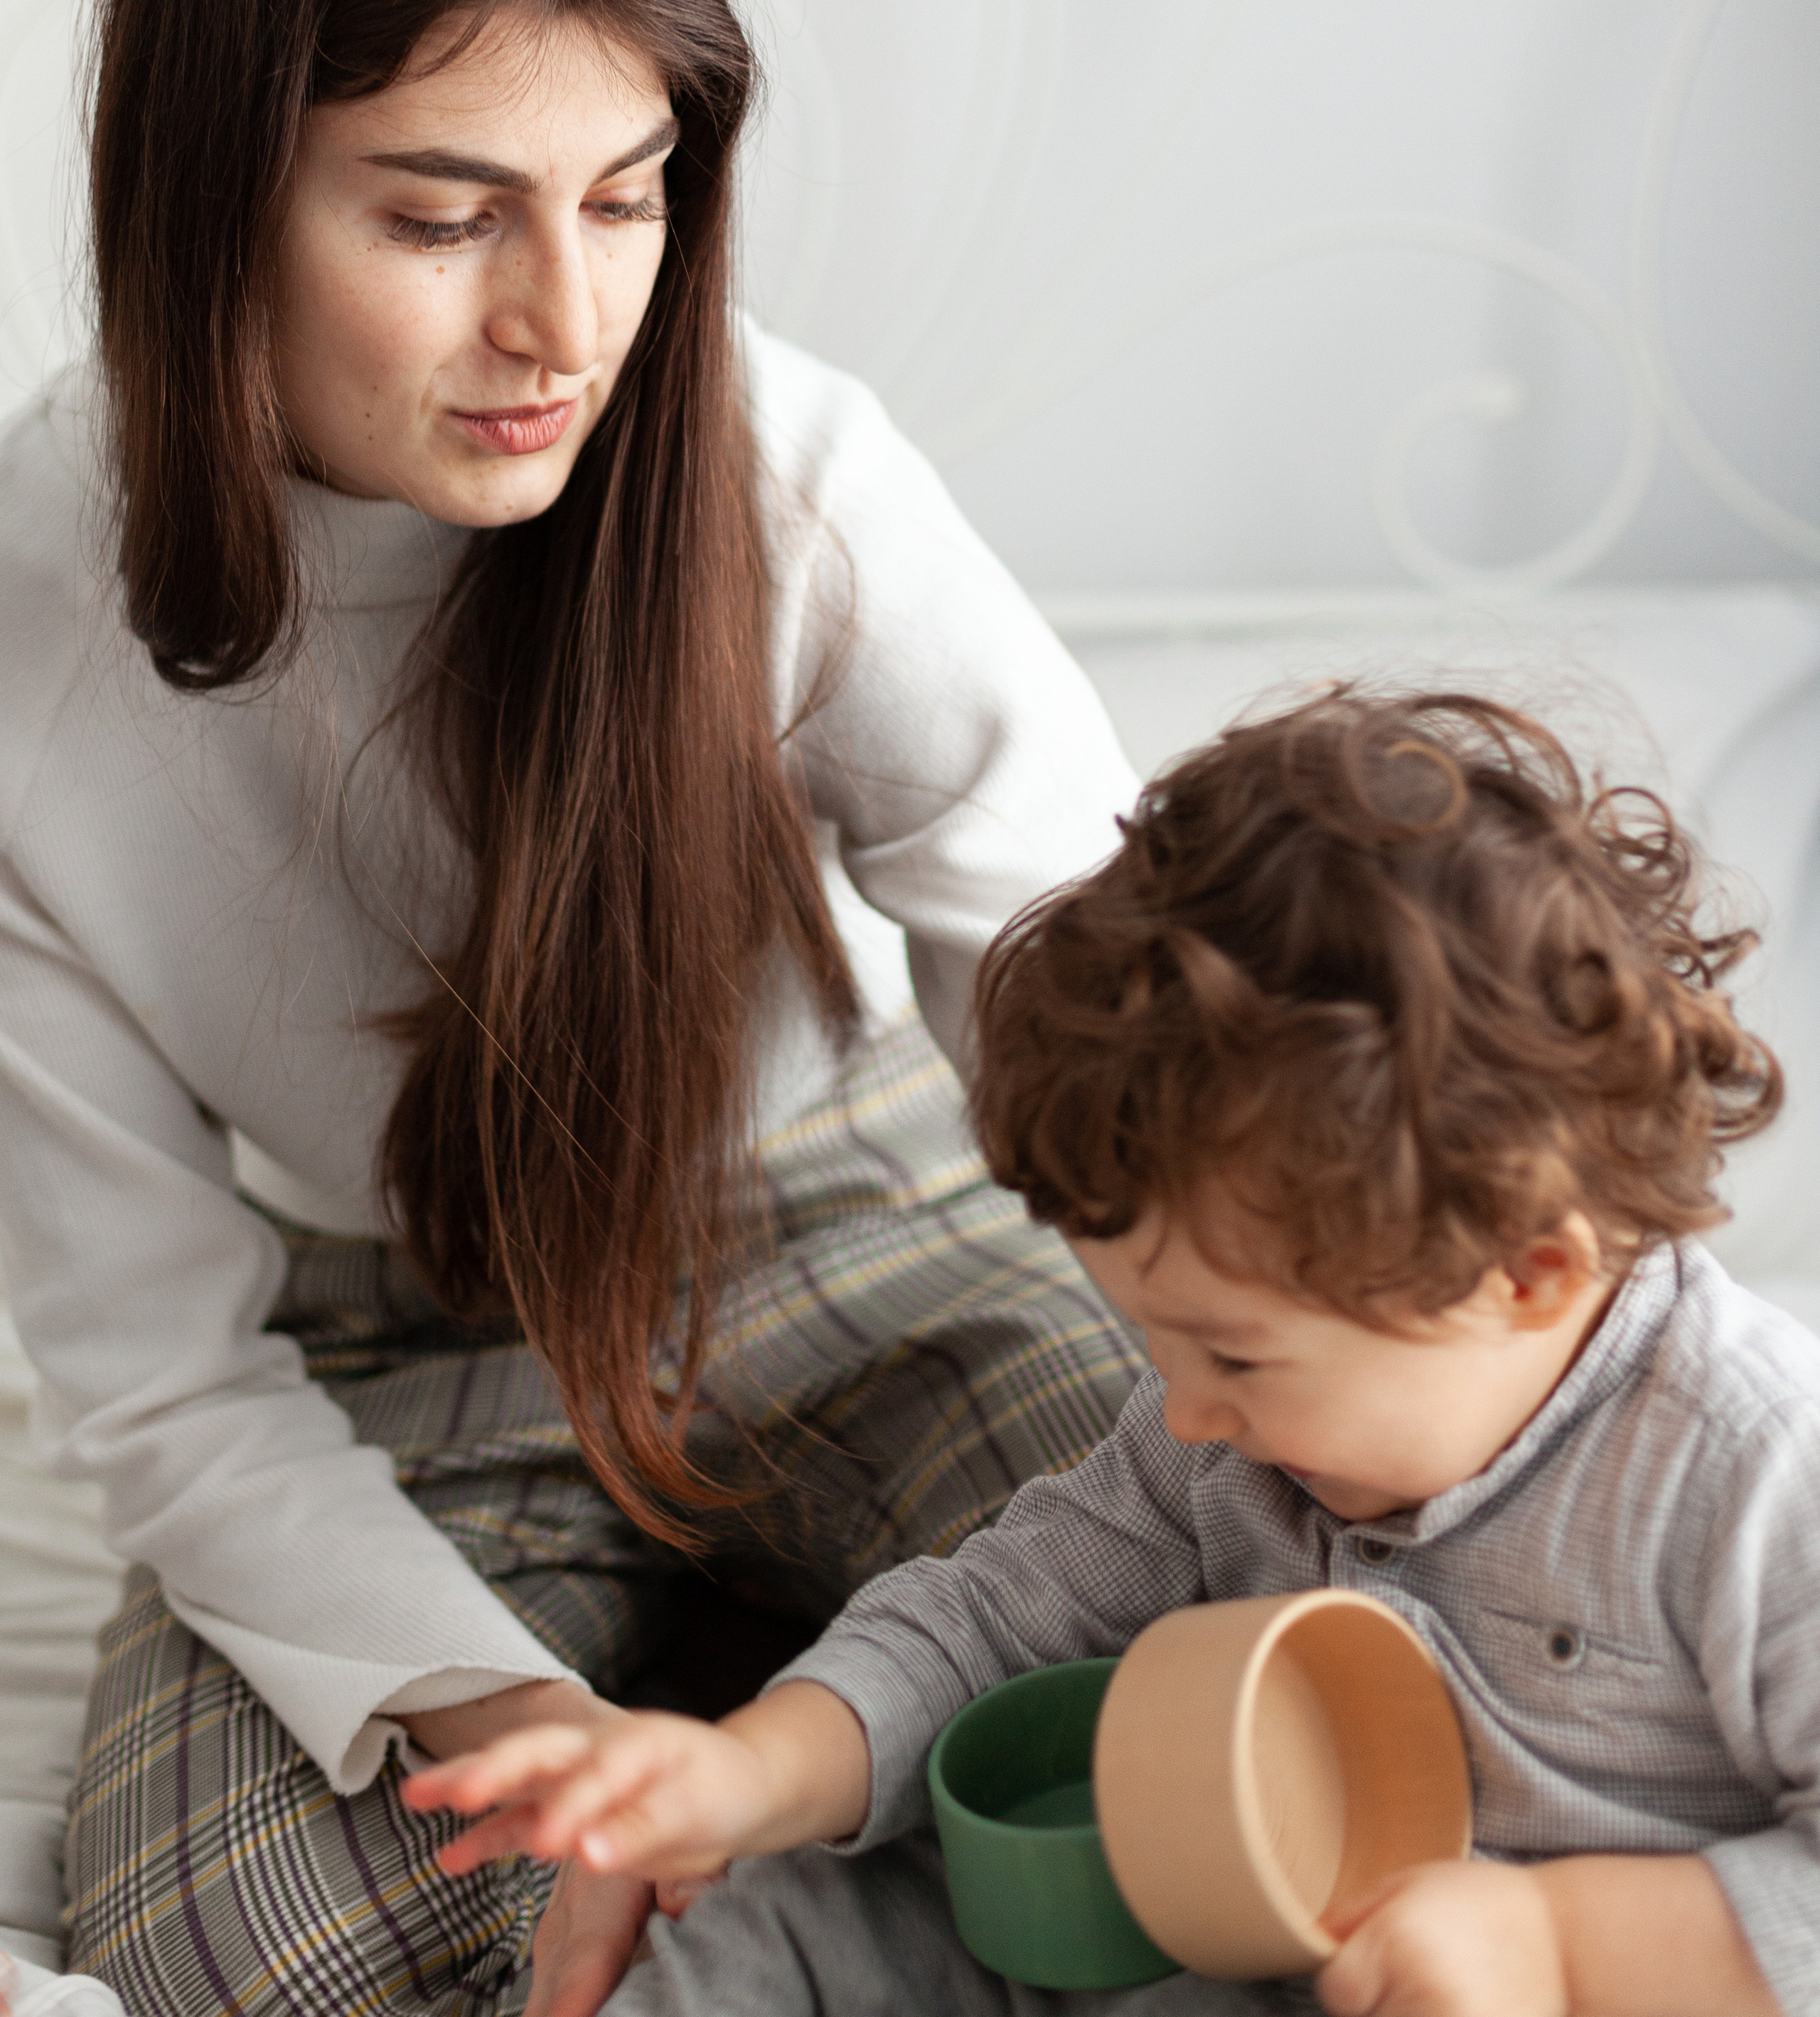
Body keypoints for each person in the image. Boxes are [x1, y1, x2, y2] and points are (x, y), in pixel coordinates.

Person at [0, 0, 1149, 2017]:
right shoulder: (30, 617)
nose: (565, 322)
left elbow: (1104, 1010)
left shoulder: (783, 476)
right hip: (390, 1361)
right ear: (208, 200)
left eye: (626, 199)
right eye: (445, 217)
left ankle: (828, 1804)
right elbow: (166, 1381)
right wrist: (542, 1755)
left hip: (868, 1246)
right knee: (248, 1949)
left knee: (1225, 1711)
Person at [409, 688, 1818, 2017]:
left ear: (1523, 1273)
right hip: (1230, 1940)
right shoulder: (1219, 1445)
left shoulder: (1752, 1470)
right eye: (1154, 1341)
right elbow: (989, 1619)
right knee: (796, 1902)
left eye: (1236, 1360)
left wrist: (1553, 1941)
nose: (1183, 1411)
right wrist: (748, 1775)